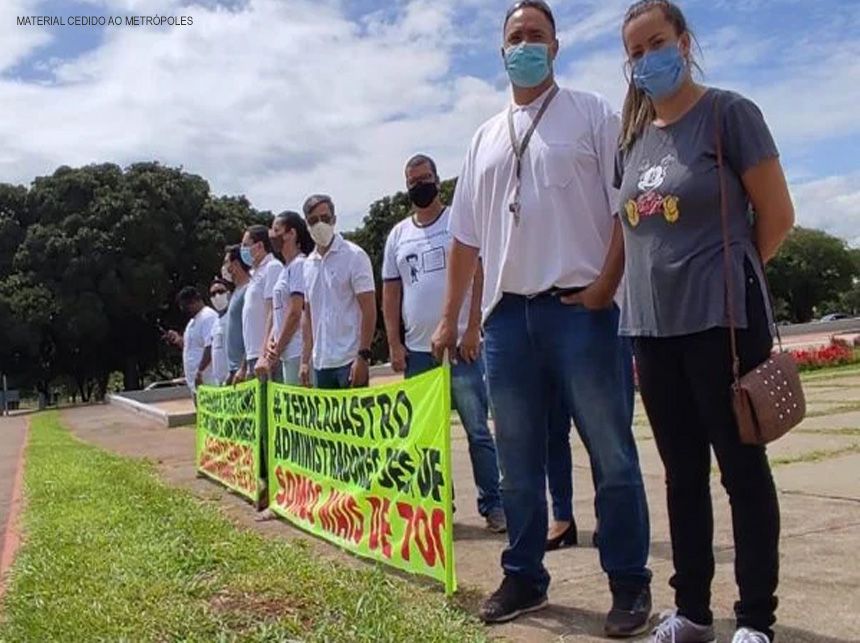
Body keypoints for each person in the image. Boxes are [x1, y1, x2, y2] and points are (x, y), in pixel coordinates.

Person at [431, 1, 651, 633]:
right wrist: (454, 319)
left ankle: (629, 584)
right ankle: (524, 576)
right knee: (518, 460)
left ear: (556, 47)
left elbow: (626, 208)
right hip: (507, 320)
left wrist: (606, 287)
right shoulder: (483, 137)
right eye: (514, 37)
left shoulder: (593, 114)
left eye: (536, 35)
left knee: (610, 452)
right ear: (500, 52)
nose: (525, 44)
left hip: (582, 311)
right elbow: (466, 240)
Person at [616, 3, 795, 642]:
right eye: (634, 52)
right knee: (681, 475)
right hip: (653, 332)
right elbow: (631, 233)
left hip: (720, 325)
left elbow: (775, 216)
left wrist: (726, 272)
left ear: (684, 43)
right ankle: (691, 612)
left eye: (656, 43)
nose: (646, 60)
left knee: (741, 471)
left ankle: (755, 620)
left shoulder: (729, 114)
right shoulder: (632, 142)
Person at [382, 153, 506, 534]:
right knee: (425, 437)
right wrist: (394, 343)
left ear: (437, 179)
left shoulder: (458, 221)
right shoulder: (398, 235)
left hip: (461, 350)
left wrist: (473, 329)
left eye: (425, 178)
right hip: (419, 353)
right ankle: (437, 503)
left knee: (478, 431)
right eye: (412, 181)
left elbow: (479, 273)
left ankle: (493, 504)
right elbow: (390, 291)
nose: (420, 185)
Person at [302, 194, 376, 390]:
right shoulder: (308, 265)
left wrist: (363, 355)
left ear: (334, 220)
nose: (320, 224)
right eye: (313, 220)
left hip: (349, 362)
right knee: (325, 422)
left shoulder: (354, 256)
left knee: (356, 420)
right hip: (321, 364)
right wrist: (305, 360)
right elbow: (308, 316)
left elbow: (369, 310)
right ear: (307, 224)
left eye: (325, 218)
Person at [261, 211, 315, 385]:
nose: (272, 235)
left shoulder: (299, 264)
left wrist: (277, 349)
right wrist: (271, 341)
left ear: (291, 234)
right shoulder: (286, 269)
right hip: (286, 352)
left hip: (296, 350)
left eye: (277, 230)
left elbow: (295, 312)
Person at [238, 225, 283, 381]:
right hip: (253, 354)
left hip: (265, 355)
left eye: (245, 245)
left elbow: (273, 311)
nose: (242, 249)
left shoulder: (272, 267)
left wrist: (264, 353)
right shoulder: (255, 273)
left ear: (259, 245)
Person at [167, 287, 219, 400]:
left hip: (208, 381)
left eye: (186, 305)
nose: (185, 310)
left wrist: (199, 370)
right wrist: (178, 339)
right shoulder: (192, 322)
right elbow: (191, 346)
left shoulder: (208, 316)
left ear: (195, 300)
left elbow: (210, 346)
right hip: (196, 384)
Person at [222, 244, 251, 384]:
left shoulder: (248, 291)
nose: (225, 268)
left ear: (236, 264)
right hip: (234, 369)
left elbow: (253, 330)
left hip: (244, 370)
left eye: (226, 262)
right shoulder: (235, 292)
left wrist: (243, 367)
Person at [209, 277, 233, 386]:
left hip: (232, 379)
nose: (217, 296)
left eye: (220, 291)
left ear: (228, 293)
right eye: (213, 294)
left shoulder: (233, 317)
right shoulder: (215, 322)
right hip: (219, 383)